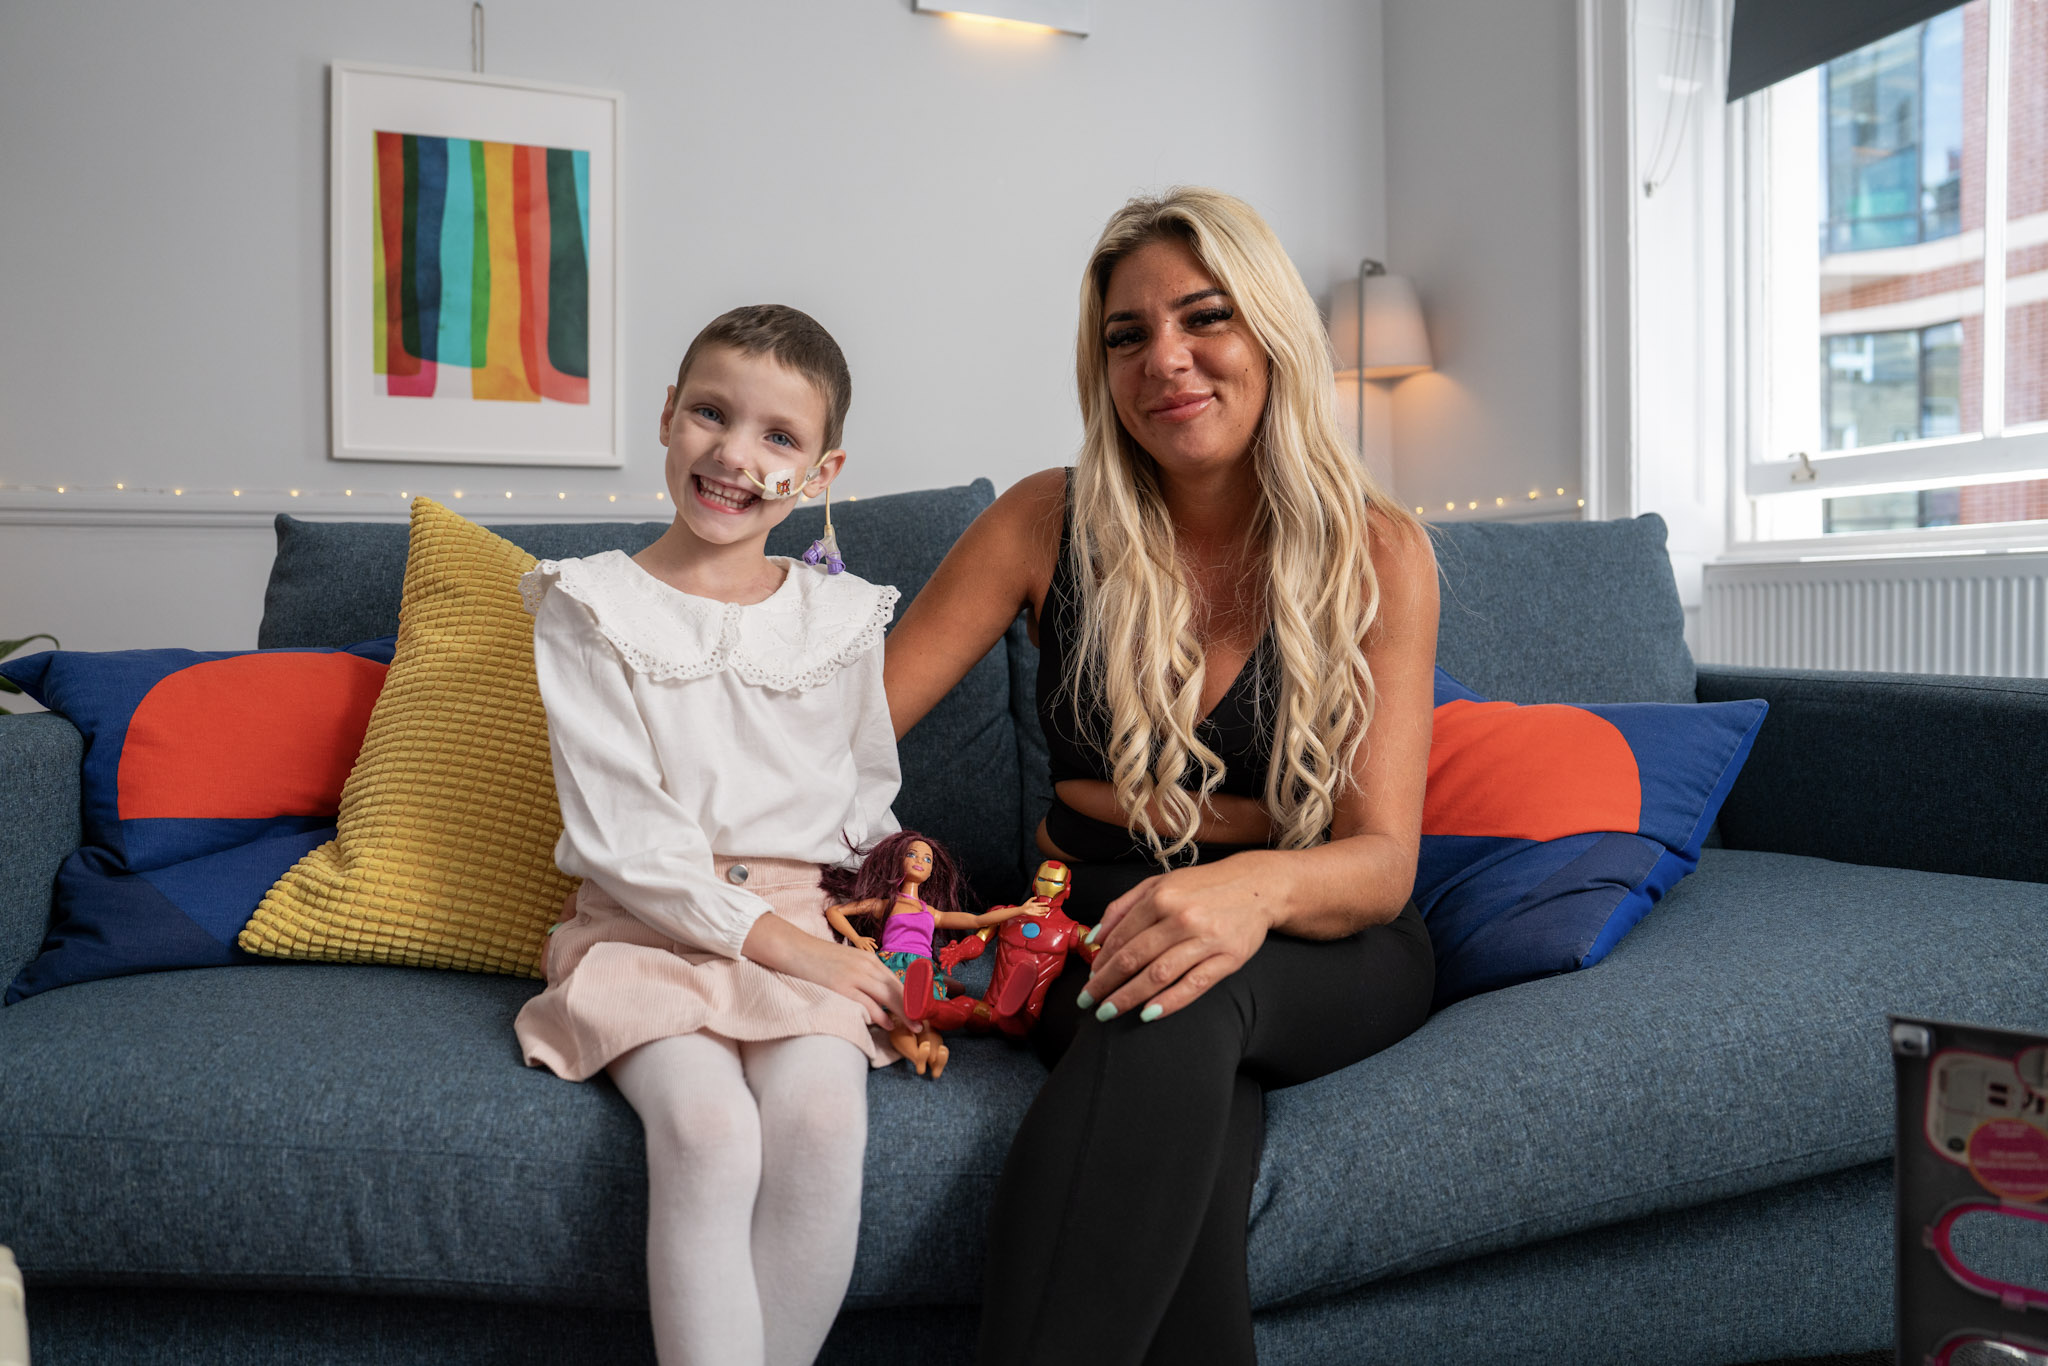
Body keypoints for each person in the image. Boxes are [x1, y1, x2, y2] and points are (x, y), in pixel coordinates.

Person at [882, 188, 1441, 1365]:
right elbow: (841, 730)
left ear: (1271, 331)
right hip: (1082, 919)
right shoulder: (1044, 521)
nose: (1164, 361)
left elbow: (1384, 860)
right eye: (1125, 336)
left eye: (1203, 318)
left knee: (1187, 990)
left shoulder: (1378, 549)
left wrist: (1247, 893)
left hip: (1321, 933)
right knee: (1180, 1062)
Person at [514, 304, 914, 1366]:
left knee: (822, 1124)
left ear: (820, 471)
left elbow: (862, 797)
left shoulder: (841, 618)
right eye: (709, 413)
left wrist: (895, 910)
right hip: (644, 922)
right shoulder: (587, 604)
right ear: (665, 417)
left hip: (800, 913)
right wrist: (796, 951)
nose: (734, 454)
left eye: (778, 437)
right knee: (706, 1132)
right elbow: (626, 841)